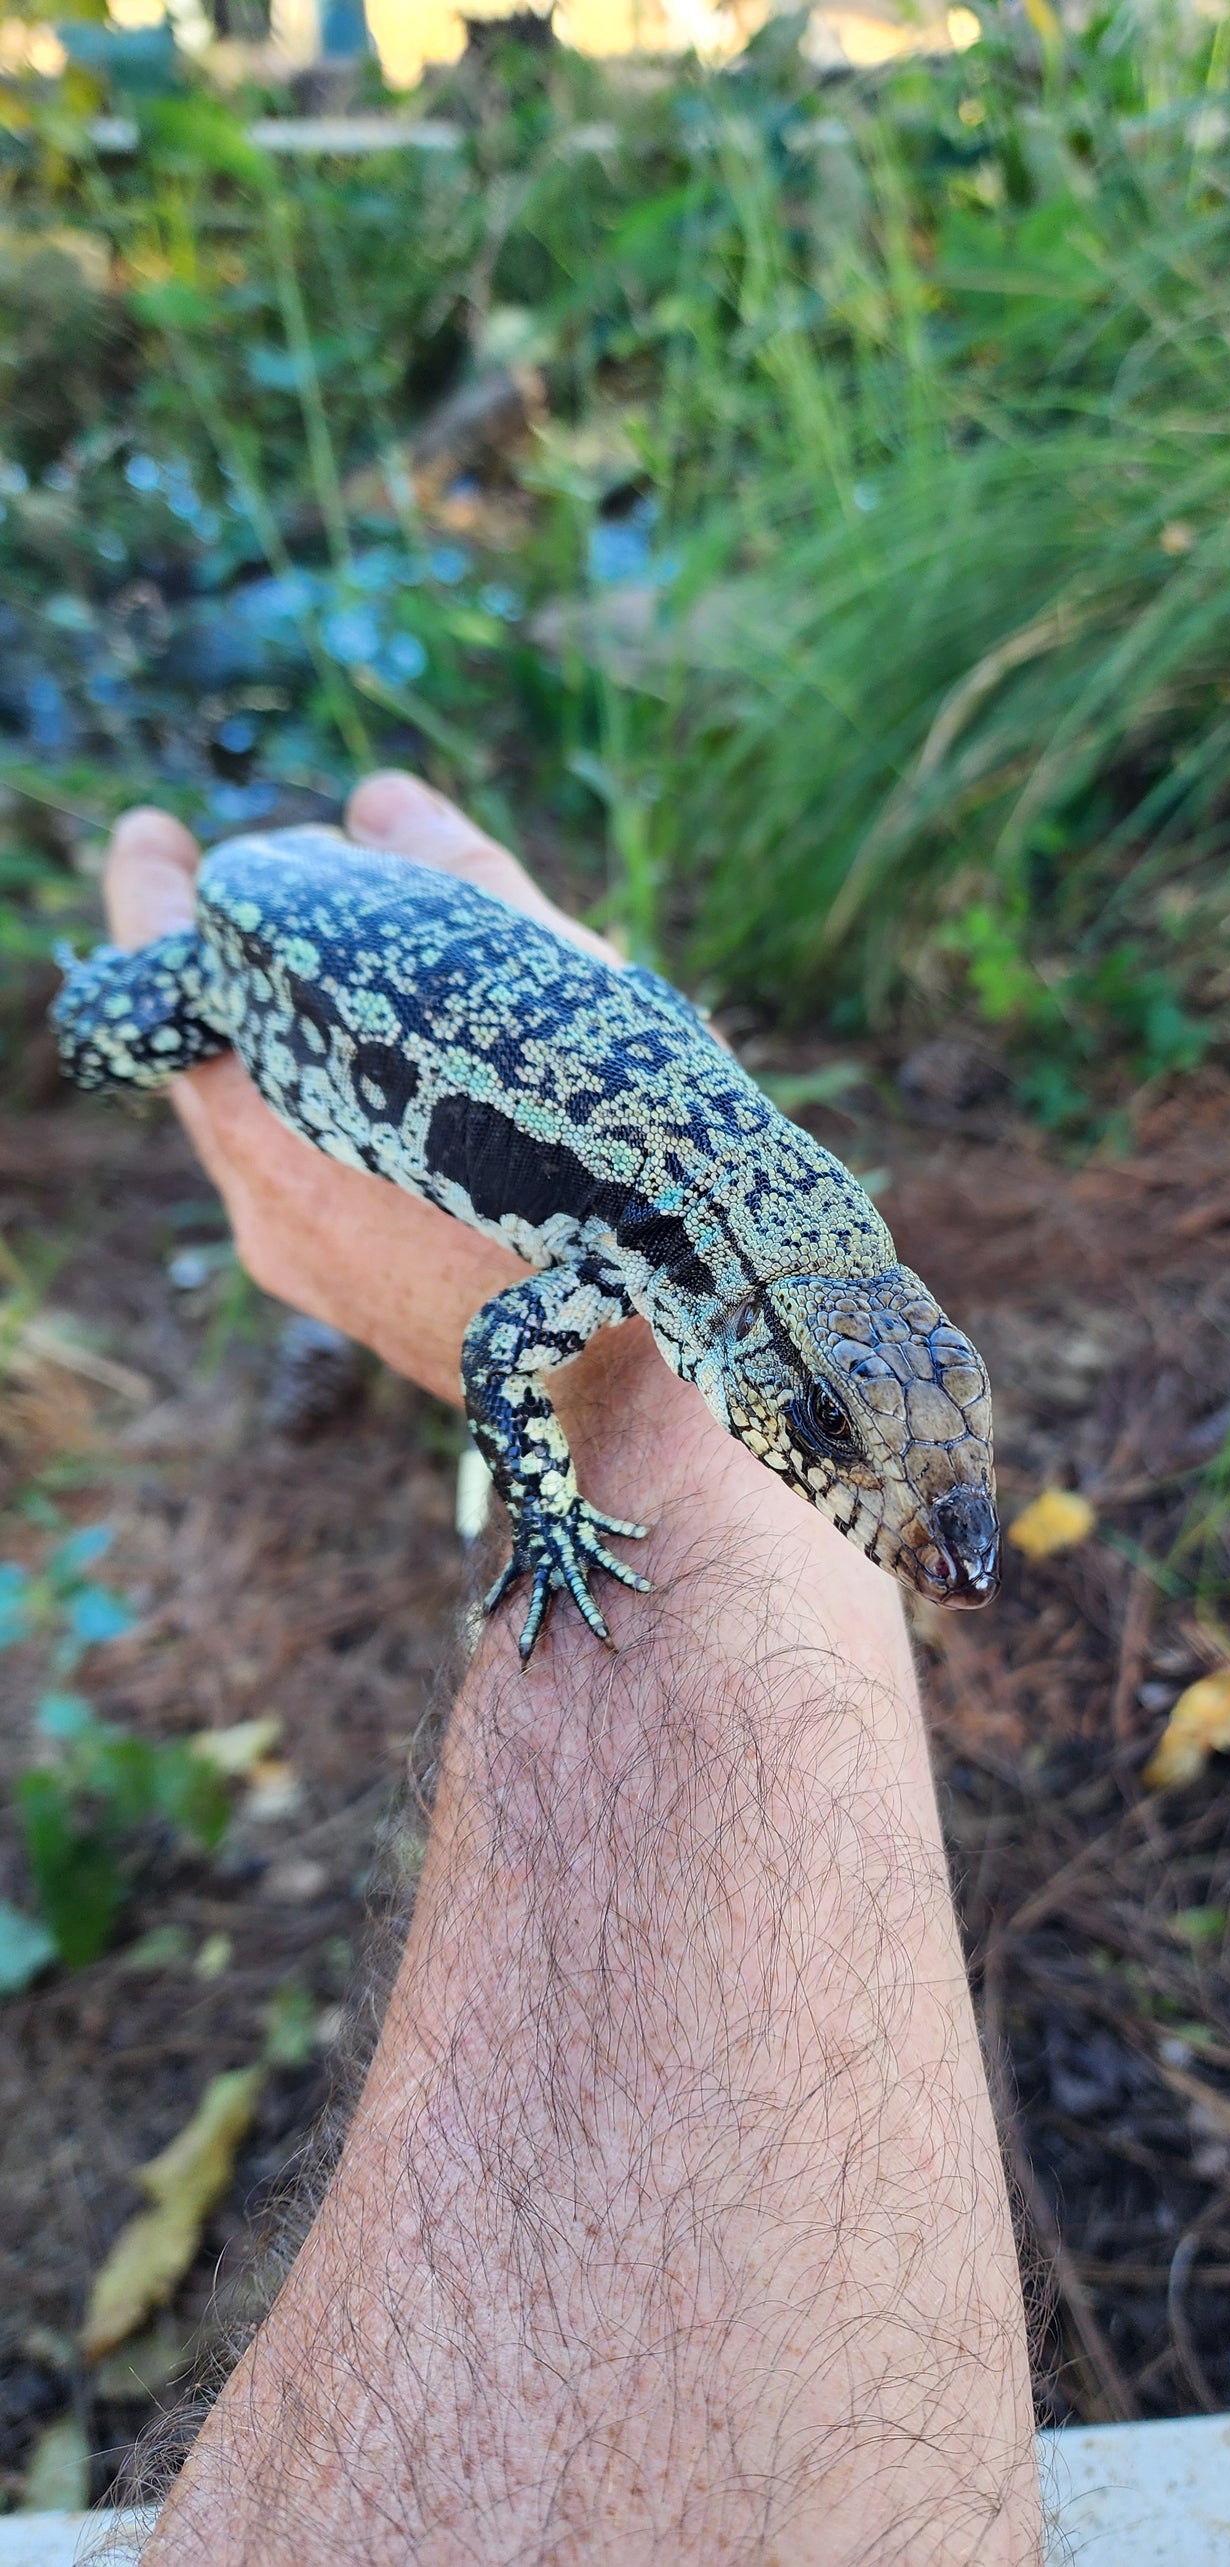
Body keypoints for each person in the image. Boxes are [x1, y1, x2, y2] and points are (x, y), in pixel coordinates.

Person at [105, 772, 1041, 2565]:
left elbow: (581, 1310)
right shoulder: (660, 1234)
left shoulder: (781, 1224)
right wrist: (549, 1513)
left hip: (355, 915)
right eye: (842, 1446)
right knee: (108, 1026)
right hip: (257, 939)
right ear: (766, 1356)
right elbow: (503, 1336)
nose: (946, 1547)